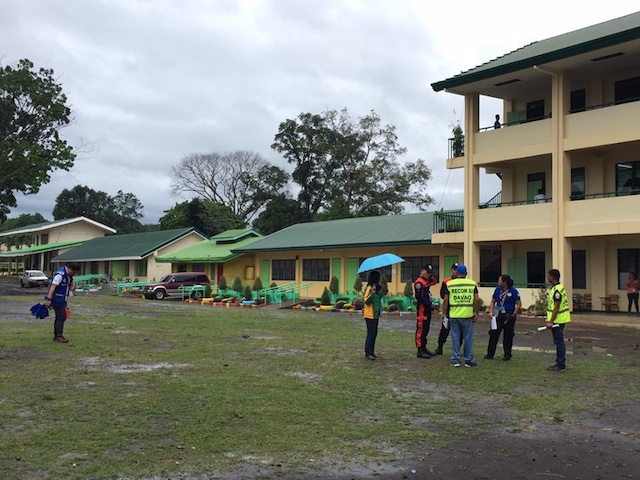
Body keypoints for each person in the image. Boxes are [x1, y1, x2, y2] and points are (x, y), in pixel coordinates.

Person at [442, 264, 479, 367]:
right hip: (468, 315)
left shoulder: (449, 284)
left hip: (454, 314)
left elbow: (445, 300)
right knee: (468, 338)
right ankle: (469, 360)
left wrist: (444, 313)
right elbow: (477, 299)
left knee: (455, 338)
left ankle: (455, 360)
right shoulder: (472, 284)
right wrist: (476, 312)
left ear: (456, 273)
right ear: (466, 274)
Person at [485, 274, 522, 361]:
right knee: (494, 334)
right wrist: (491, 312)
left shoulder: (513, 291)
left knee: (508, 335)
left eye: (500, 280)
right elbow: (493, 301)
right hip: (498, 314)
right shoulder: (497, 290)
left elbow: (519, 303)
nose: (498, 282)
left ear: (504, 282)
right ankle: (490, 354)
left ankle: (507, 354)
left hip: (508, 315)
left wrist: (514, 314)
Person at [43, 263, 81, 343]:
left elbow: (70, 282)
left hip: (62, 299)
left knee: (61, 316)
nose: (74, 274)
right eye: (74, 272)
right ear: (70, 269)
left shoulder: (68, 275)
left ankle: (58, 335)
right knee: (61, 316)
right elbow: (53, 286)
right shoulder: (60, 275)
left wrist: (72, 286)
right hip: (57, 299)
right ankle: (58, 336)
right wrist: (49, 299)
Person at [546, 269, 571, 371]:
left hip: (558, 320)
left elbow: (556, 307)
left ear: (552, 277)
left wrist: (551, 321)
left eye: (548, 276)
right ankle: (560, 362)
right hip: (558, 319)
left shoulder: (557, 291)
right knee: (559, 342)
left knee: (559, 342)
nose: (547, 278)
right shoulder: (558, 288)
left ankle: (560, 364)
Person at [434, 262, 460, 356]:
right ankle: (440, 347)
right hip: (449, 307)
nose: (456, 272)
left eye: (458, 270)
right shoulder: (446, 281)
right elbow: (442, 295)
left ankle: (458, 349)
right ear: (452, 270)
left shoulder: (462, 281)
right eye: (455, 270)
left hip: (459, 308)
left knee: (459, 331)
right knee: (445, 328)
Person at [414, 265, 437, 358]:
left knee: (426, 329)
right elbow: (419, 297)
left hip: (427, 309)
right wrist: (429, 304)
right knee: (421, 329)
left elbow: (434, 282)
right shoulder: (419, 282)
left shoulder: (426, 281)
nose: (429, 275)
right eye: (427, 273)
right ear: (422, 271)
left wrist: (430, 275)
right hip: (422, 310)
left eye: (430, 273)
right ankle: (420, 350)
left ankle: (424, 348)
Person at [363, 270, 383, 361]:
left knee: (374, 333)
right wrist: (373, 292)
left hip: (375, 314)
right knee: (370, 334)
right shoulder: (368, 288)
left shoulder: (375, 287)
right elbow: (366, 301)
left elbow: (379, 298)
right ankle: (368, 352)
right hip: (369, 315)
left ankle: (372, 351)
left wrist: (379, 291)